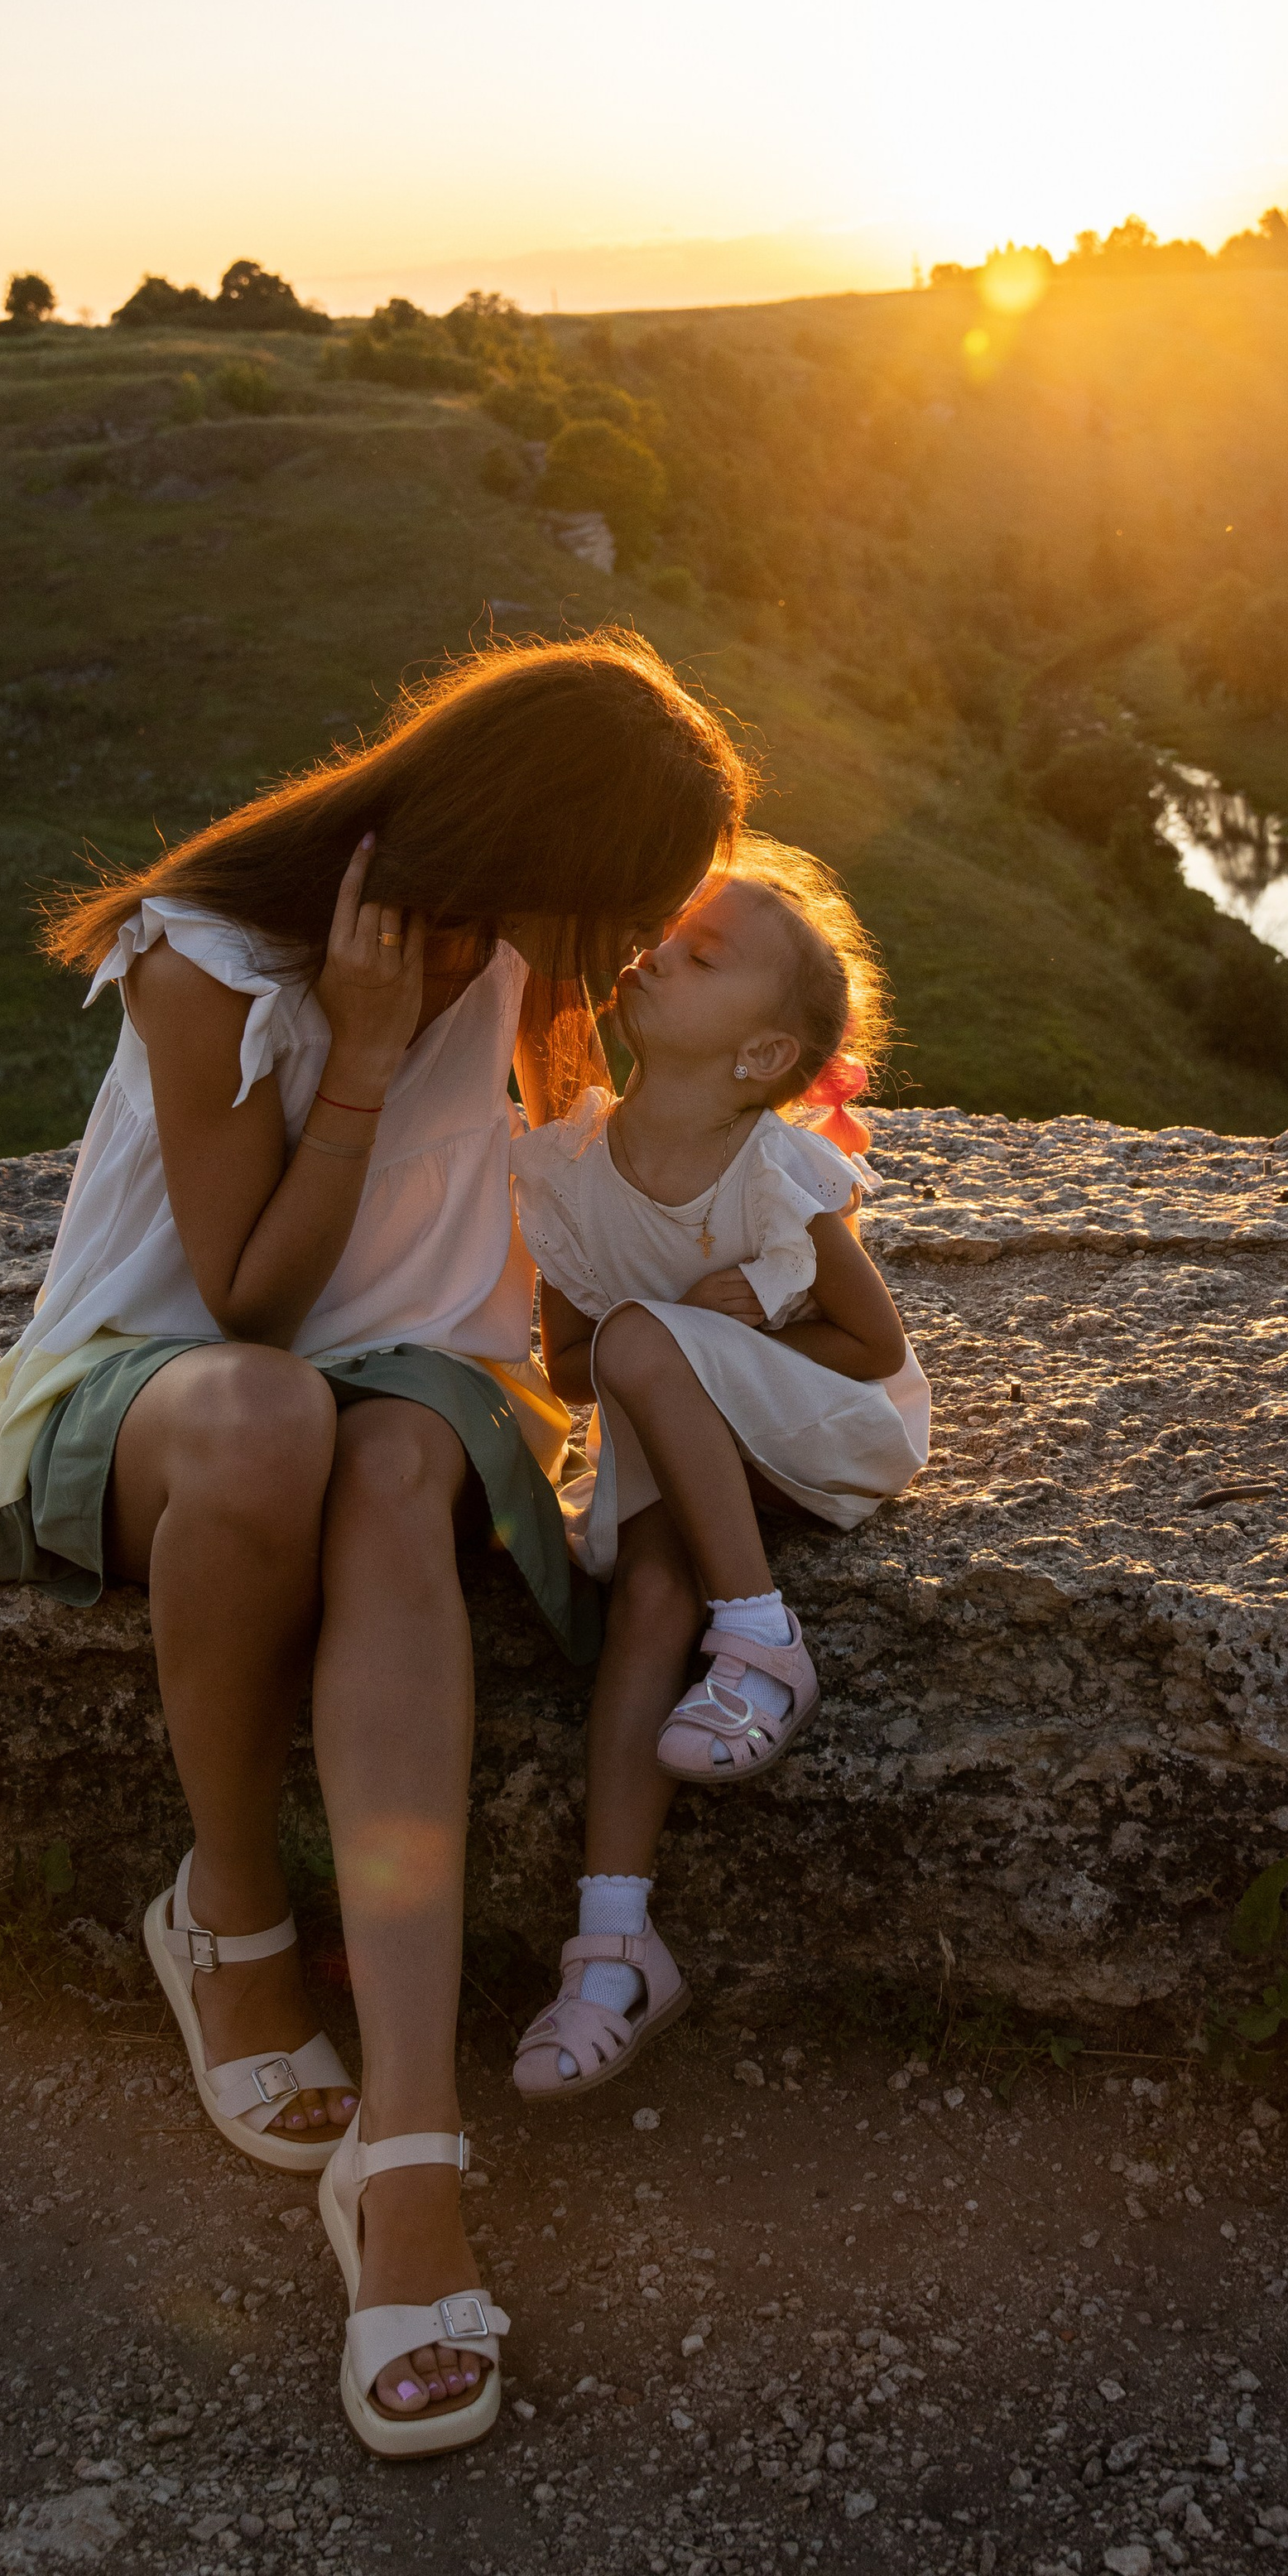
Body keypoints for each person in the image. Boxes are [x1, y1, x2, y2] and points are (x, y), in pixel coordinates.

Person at [0, 634, 750, 2461]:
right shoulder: (212, 953)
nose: (621, 949)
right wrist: (364, 1058)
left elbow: (577, 1157)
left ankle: (407, 2163)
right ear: (517, 843)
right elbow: (250, 1298)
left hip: (419, 1383)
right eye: (612, 903)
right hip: (164, 1385)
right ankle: (229, 1915)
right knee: (277, 1420)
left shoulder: (509, 941)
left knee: (395, 1461)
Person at [502, 839, 930, 2102]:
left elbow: (874, 1348)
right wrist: (655, 1346)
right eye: (665, 938)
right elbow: (578, 1369)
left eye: (703, 954)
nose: (656, 955)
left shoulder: (773, 1173)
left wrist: (747, 1321)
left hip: (818, 1430)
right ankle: (614, 1950)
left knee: (649, 1341)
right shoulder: (570, 1177)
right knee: (641, 1603)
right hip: (685, 1446)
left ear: (759, 1059)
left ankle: (762, 1638)